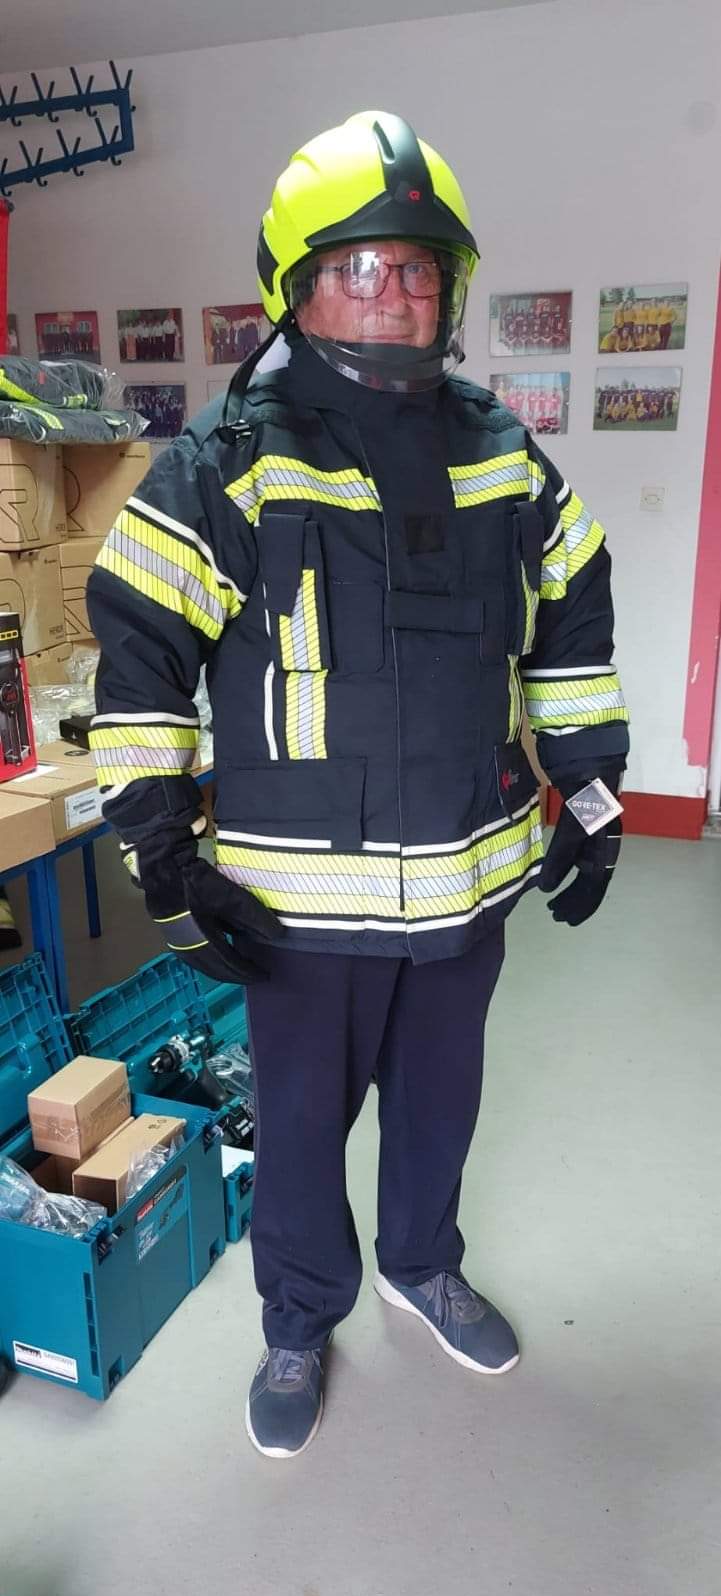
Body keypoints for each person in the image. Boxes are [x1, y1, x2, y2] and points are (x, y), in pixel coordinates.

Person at [86, 110, 629, 1460]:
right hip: (296, 908)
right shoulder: (228, 462)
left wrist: (594, 793)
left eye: (416, 268)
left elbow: (572, 608)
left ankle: (421, 1267)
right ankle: (297, 1317)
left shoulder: (502, 452)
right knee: (302, 1130)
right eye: (356, 266)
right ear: (296, 284)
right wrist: (162, 853)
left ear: (451, 287)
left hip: (465, 883)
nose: (391, 293)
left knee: (440, 1112)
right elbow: (140, 650)